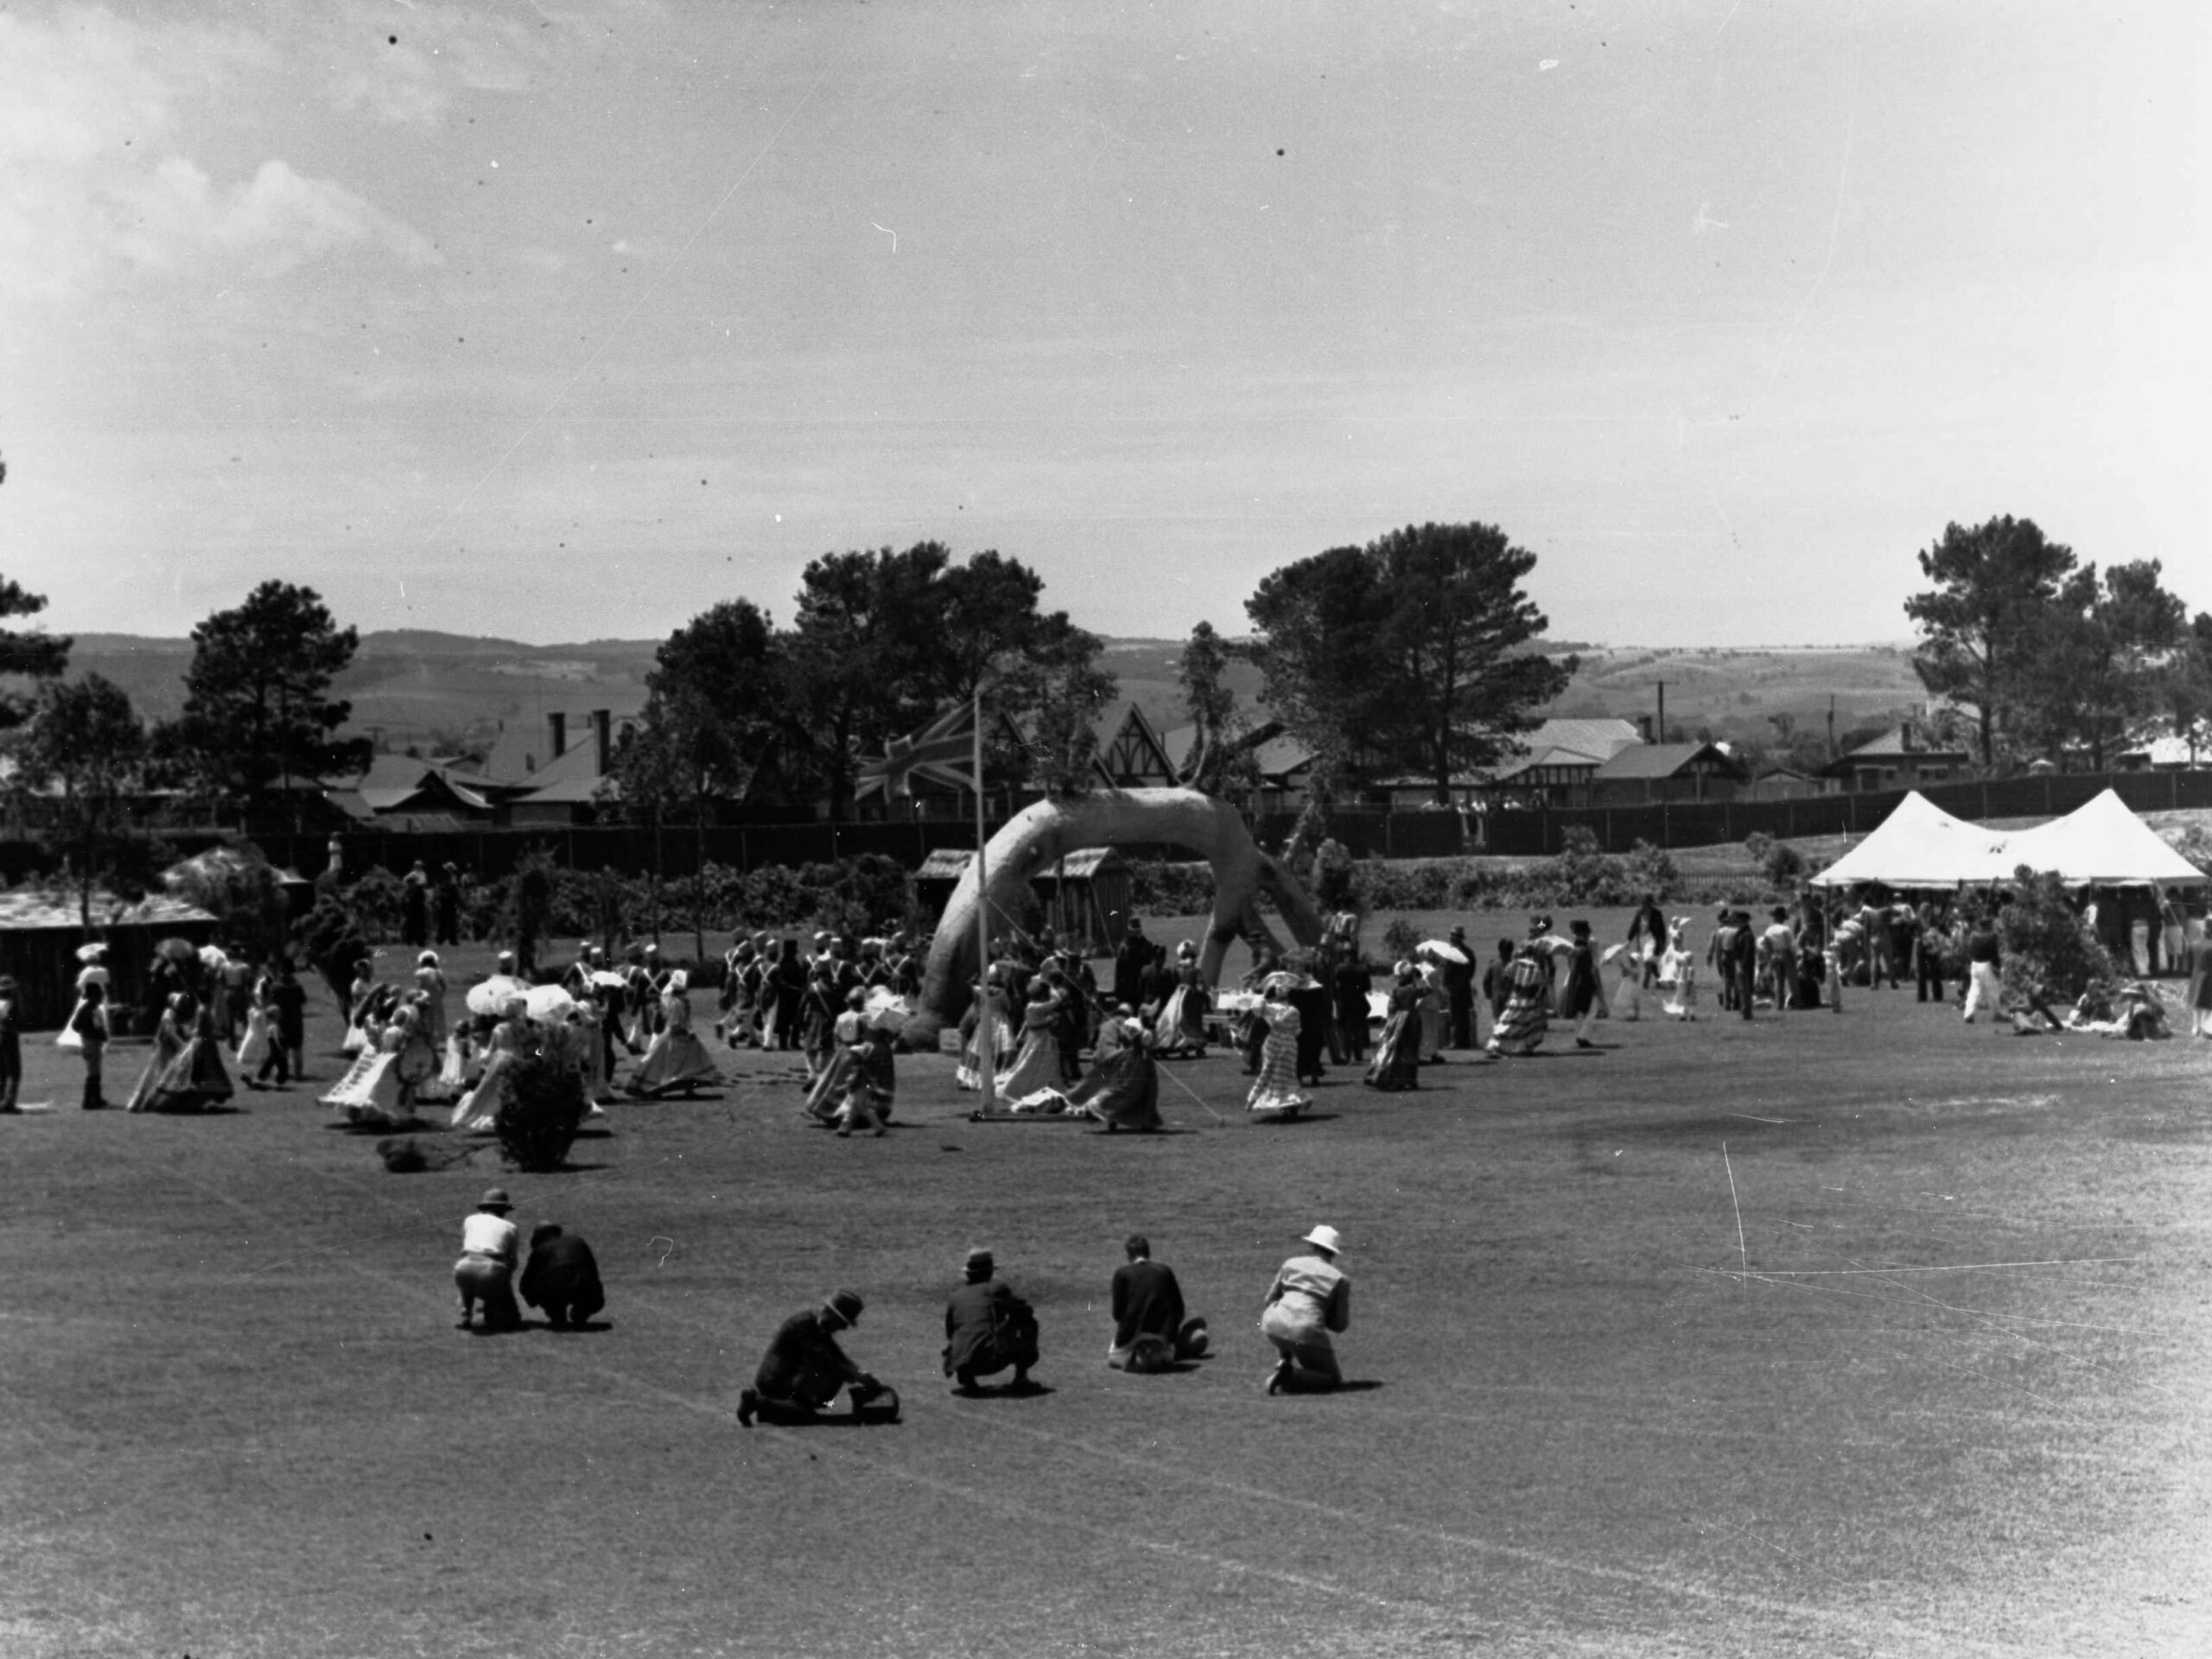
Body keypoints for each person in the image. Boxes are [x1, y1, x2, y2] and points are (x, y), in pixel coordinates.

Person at [738, 1290, 899, 1426]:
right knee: (805, 1414)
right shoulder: (803, 1325)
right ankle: (759, 1403)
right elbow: (824, 1358)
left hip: (785, 1380)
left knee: (832, 1378)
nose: (843, 1328)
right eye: (843, 1322)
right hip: (775, 1382)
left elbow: (835, 1354)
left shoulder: (814, 1325)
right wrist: (855, 1375)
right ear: (830, 1313)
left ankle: (775, 1410)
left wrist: (858, 1372)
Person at [1261, 1224, 1351, 1394]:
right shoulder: (1340, 1280)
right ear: (1333, 1252)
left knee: (1285, 1327)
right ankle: (1291, 1375)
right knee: (1331, 1379)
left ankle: (1284, 1365)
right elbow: (1340, 1325)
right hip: (1305, 1330)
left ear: (1312, 1245)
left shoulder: (1291, 1264)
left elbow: (1269, 1299)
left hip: (1271, 1323)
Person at [944, 1248, 1041, 1395]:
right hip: (989, 1359)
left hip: (960, 1361)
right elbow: (1024, 1312)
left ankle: (968, 1379)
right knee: (1027, 1323)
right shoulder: (995, 1288)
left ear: (969, 1272)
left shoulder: (955, 1296)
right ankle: (1021, 1377)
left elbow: (950, 1332)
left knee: (965, 1337)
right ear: (989, 1271)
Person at [1107, 1235, 1209, 1371]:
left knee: (1113, 1359)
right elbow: (1179, 1309)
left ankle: (1156, 1353)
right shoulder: (1165, 1271)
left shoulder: (1122, 1274)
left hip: (1131, 1338)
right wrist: (1172, 1332)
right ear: (1148, 1253)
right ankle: (1179, 1344)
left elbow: (1118, 1314)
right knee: (1187, 1333)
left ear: (1128, 1255)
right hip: (1163, 1337)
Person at [1065, 1005, 1164, 1131]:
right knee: (1127, 1091)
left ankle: (1143, 1121)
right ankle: (1107, 1113)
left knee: (1143, 1093)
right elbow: (1137, 1039)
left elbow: (1150, 1042)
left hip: (1139, 1065)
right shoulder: (1134, 1026)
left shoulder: (1142, 1029)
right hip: (1134, 1064)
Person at [627, 969, 722, 1098]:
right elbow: (675, 1024)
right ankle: (664, 1089)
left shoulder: (676, 1000)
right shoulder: (676, 1003)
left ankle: (687, 1089)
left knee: (680, 1063)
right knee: (682, 1063)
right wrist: (687, 1032)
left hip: (678, 1035)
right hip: (677, 1036)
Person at [144, 993, 236, 1114]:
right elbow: (204, 1028)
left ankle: (189, 1091)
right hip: (204, 1042)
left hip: (201, 1041)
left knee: (193, 1064)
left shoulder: (201, 1010)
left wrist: (190, 1033)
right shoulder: (203, 1010)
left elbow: (199, 1029)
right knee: (202, 1065)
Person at [454, 1188, 521, 1332]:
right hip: (491, 1268)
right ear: (503, 1209)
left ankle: (466, 1311)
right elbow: (512, 1260)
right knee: (512, 1317)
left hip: (463, 1268)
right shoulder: (510, 1227)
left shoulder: (469, 1220)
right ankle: (491, 1311)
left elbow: (466, 1246)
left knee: (468, 1276)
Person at [1246, 973, 1312, 1121]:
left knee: (1268, 1071)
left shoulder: (1270, 1009)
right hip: (1289, 1044)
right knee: (1288, 1074)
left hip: (1274, 1042)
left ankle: (1255, 1098)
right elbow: (1297, 1031)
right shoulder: (1295, 1011)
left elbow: (1257, 1010)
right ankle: (1293, 1100)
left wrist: (1263, 994)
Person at [518, 1223, 605, 1329]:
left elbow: (527, 1280)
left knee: (548, 1286)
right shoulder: (578, 1242)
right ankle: (581, 1312)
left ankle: (557, 1314)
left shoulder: (540, 1249)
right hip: (584, 1285)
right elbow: (592, 1269)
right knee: (586, 1287)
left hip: (554, 1290)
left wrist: (532, 1300)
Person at [1487, 934, 1553, 1058]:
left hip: (1516, 997)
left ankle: (1498, 1045)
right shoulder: (1537, 968)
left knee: (1507, 1024)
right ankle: (1521, 1048)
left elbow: (1506, 977)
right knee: (1526, 1027)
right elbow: (1541, 987)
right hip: (1529, 1000)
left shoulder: (1516, 964)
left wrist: (1513, 988)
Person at [1363, 963, 1424, 1089]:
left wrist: (1390, 1021)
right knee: (1410, 1049)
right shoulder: (1413, 990)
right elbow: (1427, 990)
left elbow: (1391, 1007)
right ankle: (1410, 1079)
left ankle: (1393, 1077)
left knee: (1395, 1050)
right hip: (1412, 1019)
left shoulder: (1395, 990)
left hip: (1398, 1020)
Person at [1153, 941, 1210, 1058]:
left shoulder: (1176, 968)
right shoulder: (1195, 971)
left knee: (1174, 1018)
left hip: (1178, 995)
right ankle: (1188, 1042)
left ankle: (1171, 1041)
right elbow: (1201, 986)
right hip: (1190, 997)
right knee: (1187, 1021)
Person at [1560, 920, 1602, 1049]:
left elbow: (1570, 965)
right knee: (1592, 1008)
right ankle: (1582, 1037)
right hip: (1585, 982)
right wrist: (1596, 987)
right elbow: (1592, 970)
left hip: (1574, 980)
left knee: (1579, 1012)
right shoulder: (1585, 951)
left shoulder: (1572, 949)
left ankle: (1580, 1036)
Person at [1961, 914, 2005, 1027]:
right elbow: (1995, 955)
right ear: (1989, 925)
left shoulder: (1974, 936)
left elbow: (1970, 950)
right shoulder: (1992, 937)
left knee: (1974, 991)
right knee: (1993, 991)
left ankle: (1968, 1014)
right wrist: (1998, 968)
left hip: (1974, 964)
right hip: (1986, 965)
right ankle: (1997, 1013)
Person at [72, 981, 110, 1109]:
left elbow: (76, 1026)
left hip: (88, 1042)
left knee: (96, 1071)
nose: (101, 998)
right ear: (93, 996)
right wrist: (97, 1033)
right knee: (93, 1072)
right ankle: (88, 1101)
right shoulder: (91, 1010)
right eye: (99, 995)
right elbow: (97, 1027)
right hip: (91, 1042)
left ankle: (96, 1098)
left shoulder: (86, 1009)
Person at [1332, 948, 1373, 1065]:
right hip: (1358, 1001)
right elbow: (1367, 987)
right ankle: (1358, 1054)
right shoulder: (1362, 969)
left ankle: (1346, 1054)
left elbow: (1333, 986)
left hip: (1343, 1002)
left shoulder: (1339, 968)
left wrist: (1337, 997)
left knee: (1345, 1030)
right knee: (1359, 1029)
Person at [1440, 926, 1477, 1049]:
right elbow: (1472, 971)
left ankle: (1455, 1042)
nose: (1450, 937)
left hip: (1454, 988)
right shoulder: (1469, 952)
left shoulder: (1453, 953)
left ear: (1457, 937)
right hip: (1465, 986)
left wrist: (1445, 984)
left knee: (1454, 1015)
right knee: (1464, 1016)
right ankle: (1464, 1042)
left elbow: (1447, 971)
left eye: (1452, 935)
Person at [0, 975, 21, 1111]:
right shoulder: (10, 1004)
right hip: (8, 1037)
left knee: (2, 1071)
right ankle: (9, 1103)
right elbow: (12, 1022)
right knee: (15, 1072)